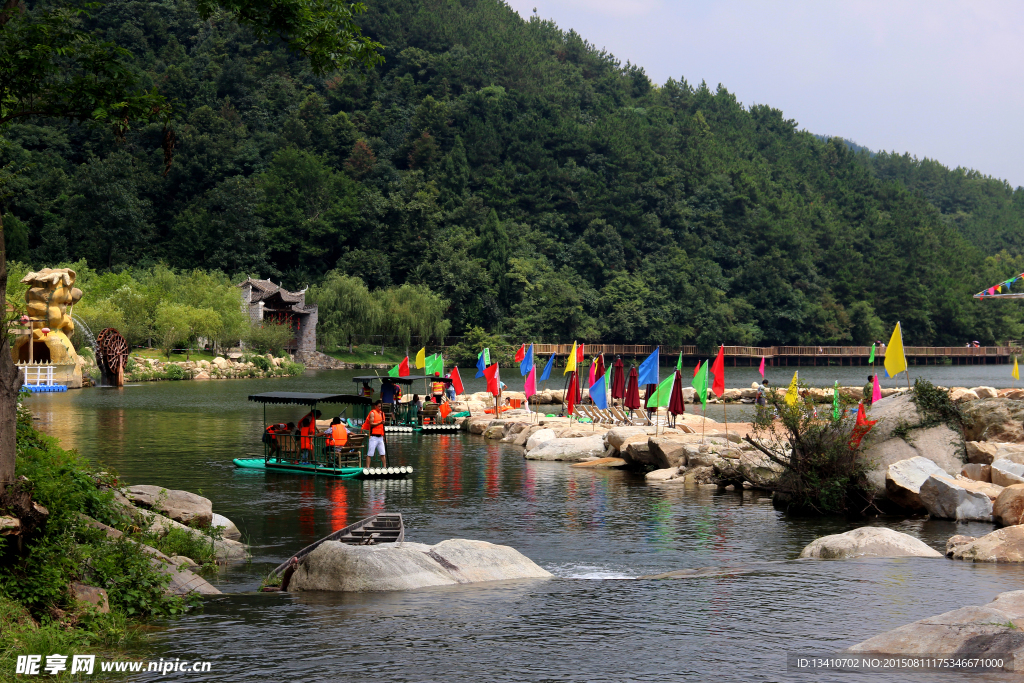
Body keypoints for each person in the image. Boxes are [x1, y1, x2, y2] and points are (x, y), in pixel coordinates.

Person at [362, 399, 388, 468]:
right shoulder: (373, 413)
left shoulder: (382, 414)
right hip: (373, 437)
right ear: (375, 406)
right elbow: (371, 424)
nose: (380, 408)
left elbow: (382, 427)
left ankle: (384, 467)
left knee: (383, 453)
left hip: (380, 437)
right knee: (370, 453)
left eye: (381, 406)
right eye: (379, 406)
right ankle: (367, 467)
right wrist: (380, 422)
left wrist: (385, 437)